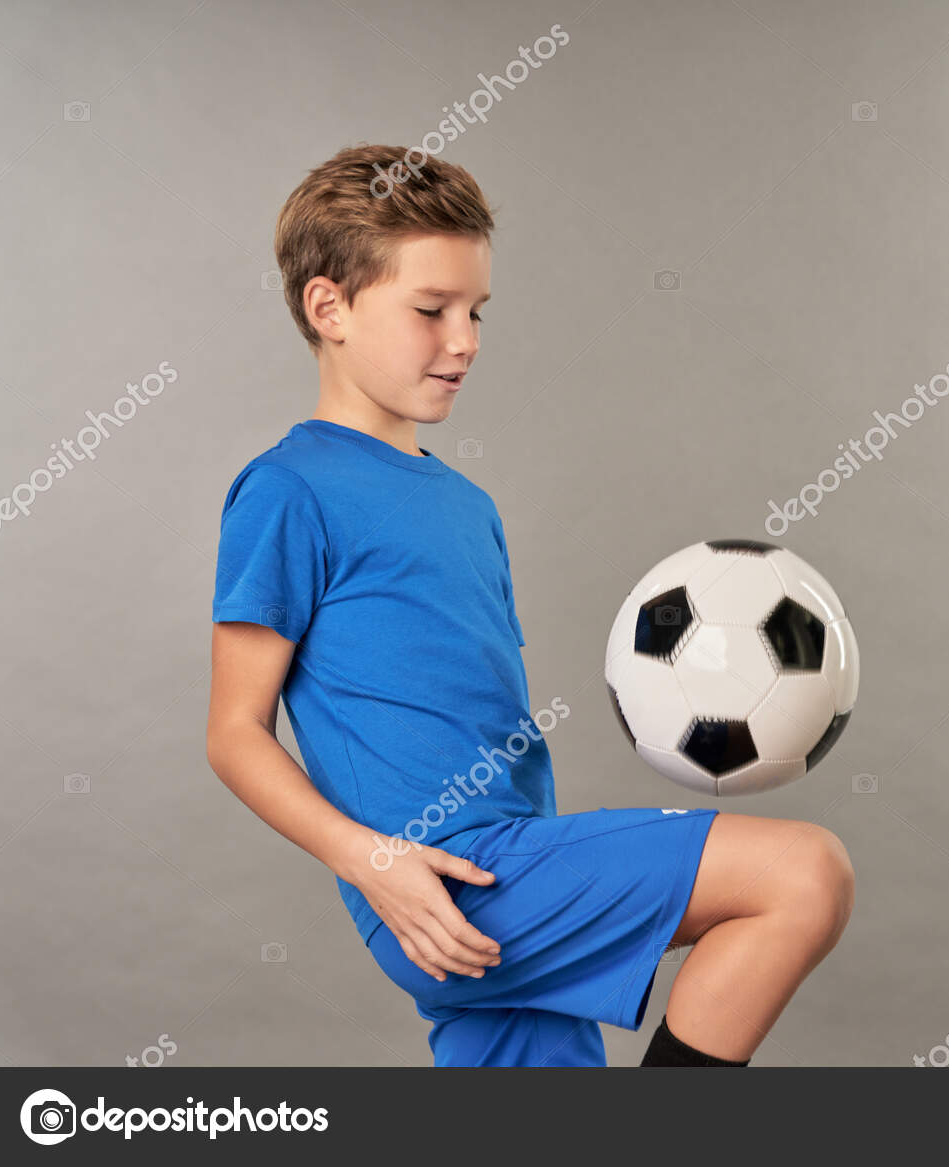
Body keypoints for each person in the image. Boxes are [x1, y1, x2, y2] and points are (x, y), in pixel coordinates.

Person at [205, 144, 855, 1067]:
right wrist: (370, 860)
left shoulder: (468, 506)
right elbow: (234, 730)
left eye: (475, 311)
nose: (464, 338)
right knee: (805, 872)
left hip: (512, 868)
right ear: (329, 306)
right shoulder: (287, 489)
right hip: (448, 881)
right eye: (430, 310)